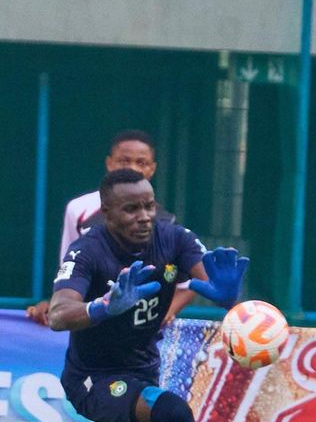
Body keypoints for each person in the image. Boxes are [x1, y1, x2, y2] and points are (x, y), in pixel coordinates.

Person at [48, 168, 286, 422]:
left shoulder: (172, 237)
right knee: (172, 410)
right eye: (130, 209)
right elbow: (58, 314)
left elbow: (206, 275)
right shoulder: (87, 250)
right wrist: (103, 307)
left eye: (148, 205)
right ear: (106, 213)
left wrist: (225, 295)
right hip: (92, 376)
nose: (144, 216)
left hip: (142, 365)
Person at [26, 129, 193, 326]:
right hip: (91, 324)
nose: (132, 168)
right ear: (109, 163)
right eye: (124, 160)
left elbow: (188, 284)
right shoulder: (78, 210)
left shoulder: (167, 224)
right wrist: (57, 304)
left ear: (152, 169)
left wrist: (164, 313)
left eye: (141, 162)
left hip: (139, 330)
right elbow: (68, 271)